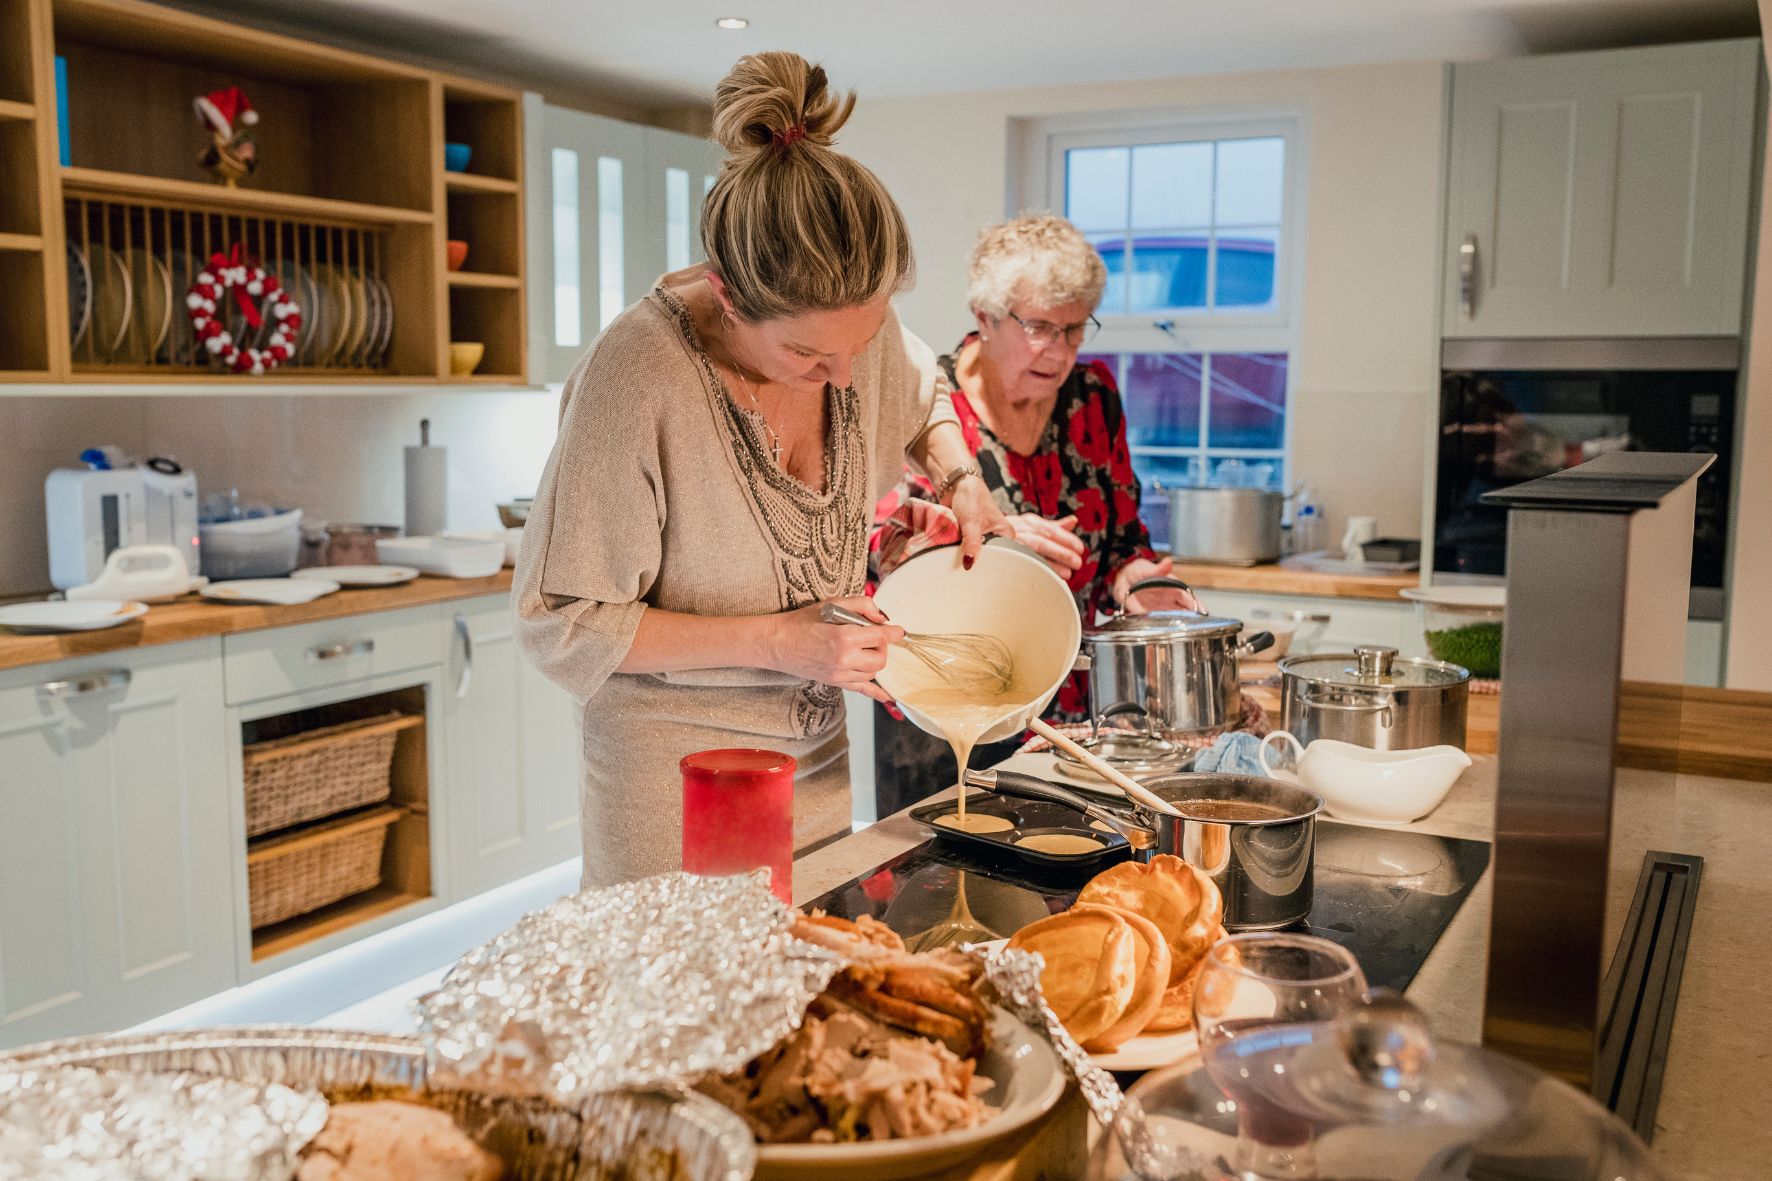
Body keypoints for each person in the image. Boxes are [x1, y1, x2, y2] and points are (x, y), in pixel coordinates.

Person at [515, 52, 1008, 888]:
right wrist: (782, 640)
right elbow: (560, 621)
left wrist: (960, 479)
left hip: (816, 770)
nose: (845, 377)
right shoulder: (639, 377)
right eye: (809, 353)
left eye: (861, 343)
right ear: (729, 296)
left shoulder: (856, 333)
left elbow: (921, 394)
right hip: (674, 791)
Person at [871, 214, 1200, 816]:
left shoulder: (1093, 397)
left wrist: (1136, 579)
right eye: (1041, 327)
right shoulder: (924, 407)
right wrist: (999, 548)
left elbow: (1124, 536)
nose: (1062, 350)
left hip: (1068, 715)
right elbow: (886, 559)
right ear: (985, 317)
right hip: (944, 712)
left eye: (1077, 329)